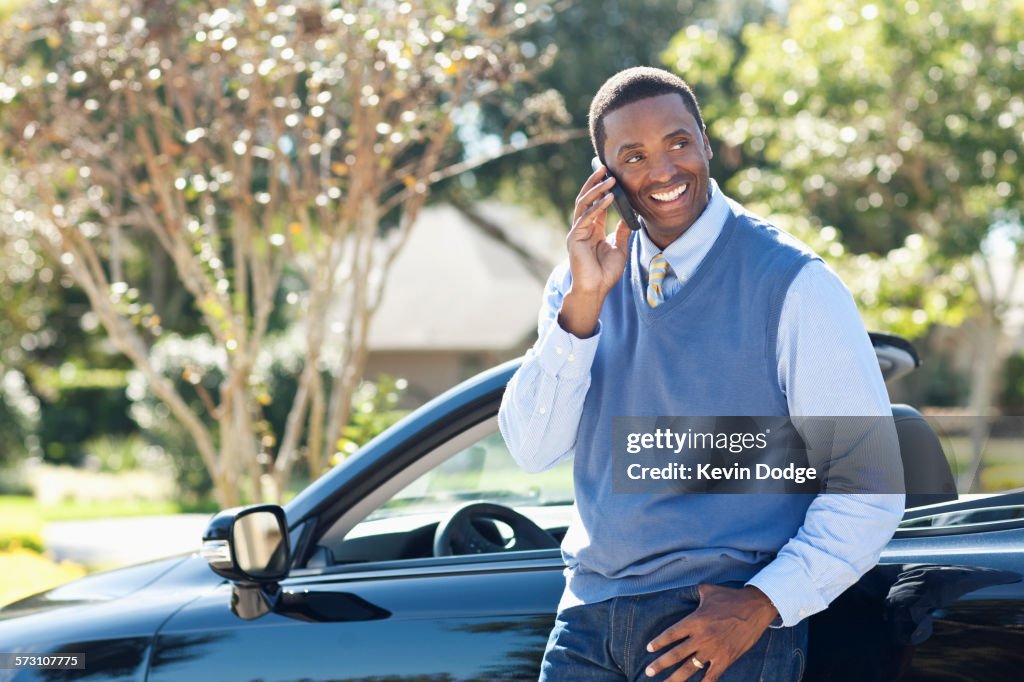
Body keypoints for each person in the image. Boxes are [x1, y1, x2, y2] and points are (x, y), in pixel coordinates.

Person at [498, 66, 905, 681]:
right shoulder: (579, 280)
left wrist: (761, 606)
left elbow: (870, 483)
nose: (662, 171)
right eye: (633, 155)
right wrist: (581, 304)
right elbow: (532, 449)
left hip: (716, 628)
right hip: (586, 622)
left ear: (706, 142)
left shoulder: (794, 283)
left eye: (678, 143)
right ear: (602, 170)